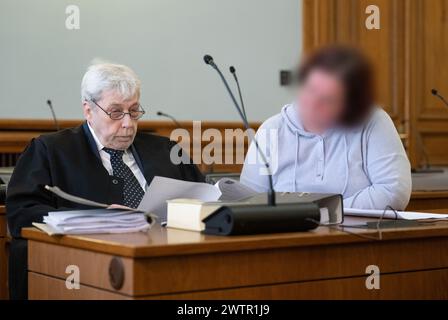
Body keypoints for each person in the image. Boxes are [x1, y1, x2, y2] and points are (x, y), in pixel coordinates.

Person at [6, 63, 204, 299]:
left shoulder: (166, 150)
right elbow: (22, 214)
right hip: (87, 269)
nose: (128, 123)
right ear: (88, 110)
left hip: (171, 262)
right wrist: (95, 219)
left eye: (133, 111)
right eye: (116, 112)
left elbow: (202, 197)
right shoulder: (50, 151)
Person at [241, 46, 412, 210]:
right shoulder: (271, 130)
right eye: (311, 90)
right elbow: (248, 200)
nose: (313, 104)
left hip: (354, 234)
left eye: (328, 99)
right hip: (283, 235)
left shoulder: (373, 120)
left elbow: (393, 191)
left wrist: (329, 212)